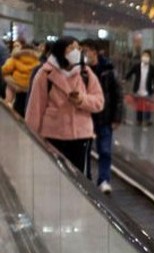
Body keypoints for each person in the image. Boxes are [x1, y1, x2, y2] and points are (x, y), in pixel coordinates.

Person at [25, 37, 103, 175]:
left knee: (78, 178)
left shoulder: (85, 73)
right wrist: (30, 139)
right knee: (54, 176)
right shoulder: (45, 74)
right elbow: (35, 109)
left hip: (80, 137)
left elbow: (99, 102)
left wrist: (82, 100)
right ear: (61, 51)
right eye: (71, 48)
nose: (76, 51)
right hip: (54, 137)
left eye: (78, 48)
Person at [81, 39, 123, 194]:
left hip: (104, 117)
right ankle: (86, 177)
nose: (83, 54)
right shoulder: (80, 70)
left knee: (104, 150)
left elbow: (118, 95)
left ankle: (104, 179)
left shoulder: (108, 70)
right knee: (84, 150)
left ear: (94, 51)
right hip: (85, 117)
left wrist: (116, 117)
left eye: (85, 50)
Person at [2, 40, 40, 116]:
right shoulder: (37, 61)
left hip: (15, 84)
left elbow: (4, 70)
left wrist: (7, 77)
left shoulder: (15, 58)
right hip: (29, 86)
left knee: (9, 100)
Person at [125, 50, 154, 126]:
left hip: (148, 89)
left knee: (147, 105)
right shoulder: (137, 66)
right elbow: (130, 73)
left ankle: (147, 120)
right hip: (138, 89)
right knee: (139, 105)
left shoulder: (152, 68)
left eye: (147, 56)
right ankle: (139, 120)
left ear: (150, 58)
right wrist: (125, 79)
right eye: (144, 56)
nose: (145, 58)